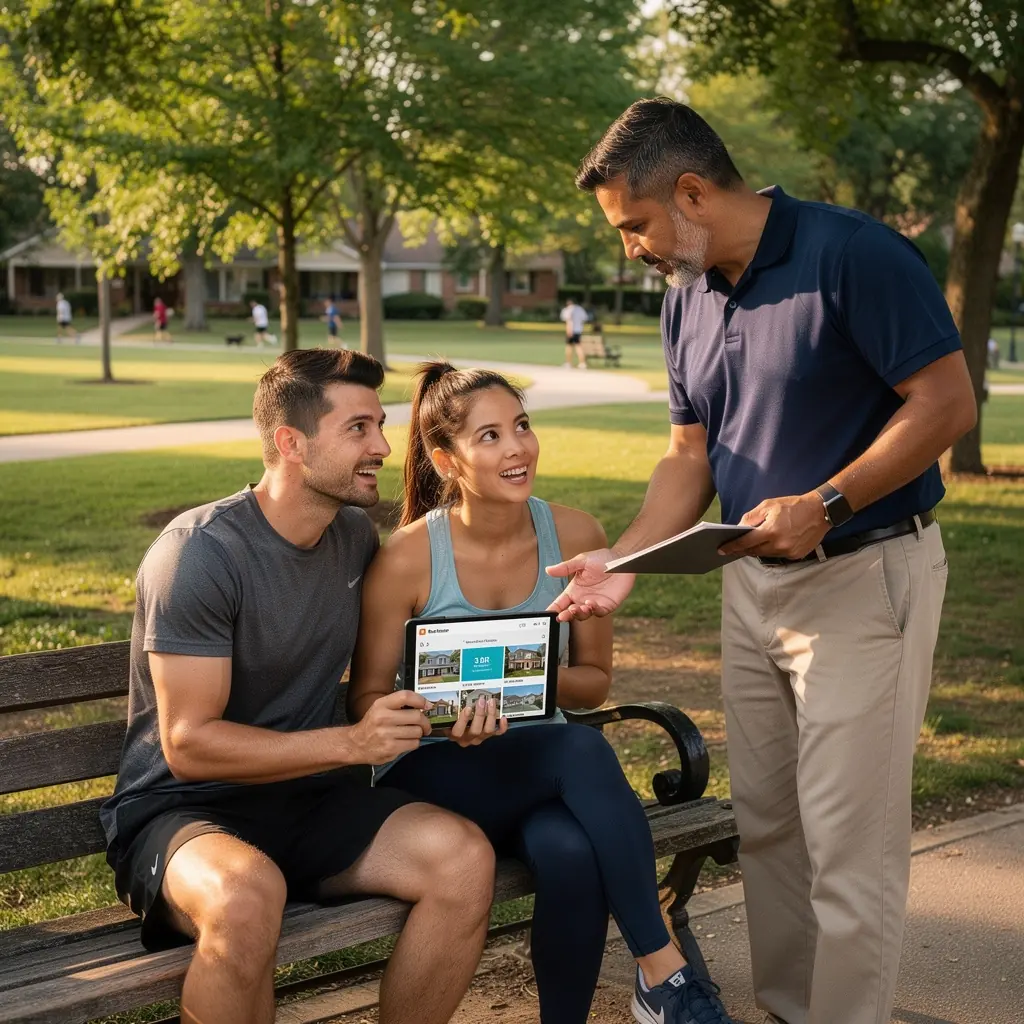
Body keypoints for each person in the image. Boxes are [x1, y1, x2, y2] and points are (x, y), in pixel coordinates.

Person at [549, 98, 977, 1024]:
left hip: (863, 580)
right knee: (773, 828)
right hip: (745, 587)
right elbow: (689, 458)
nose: (631, 248)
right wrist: (626, 557)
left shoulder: (854, 255)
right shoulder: (686, 300)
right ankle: (789, 1006)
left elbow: (945, 404)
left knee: (850, 844)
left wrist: (829, 501)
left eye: (635, 225)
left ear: (693, 193)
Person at [99, 349, 497, 1024]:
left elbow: (396, 666)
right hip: (186, 813)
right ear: (291, 443)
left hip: (312, 803)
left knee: (464, 859)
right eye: (358, 429)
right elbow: (189, 745)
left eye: (380, 425)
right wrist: (351, 742)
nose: (382, 446)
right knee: (246, 897)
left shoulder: (350, 535)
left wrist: (459, 706)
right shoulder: (198, 554)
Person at [348, 361, 736, 1024]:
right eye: (491, 436)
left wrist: (519, 684)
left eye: (522, 426)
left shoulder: (579, 536)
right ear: (447, 459)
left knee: (569, 849)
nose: (518, 447)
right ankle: (665, 975)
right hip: (432, 772)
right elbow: (365, 701)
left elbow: (592, 685)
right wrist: (442, 717)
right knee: (580, 753)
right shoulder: (410, 557)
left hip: (540, 767)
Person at [559, 296, 589, 368]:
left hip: (571, 330)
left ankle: (568, 362)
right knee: (578, 346)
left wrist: (569, 330)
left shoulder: (567, 310)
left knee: (569, 347)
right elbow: (584, 319)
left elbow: (568, 320)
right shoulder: (580, 309)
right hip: (578, 330)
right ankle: (582, 363)